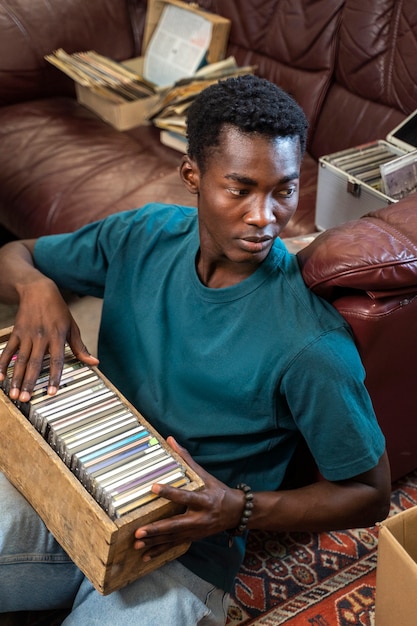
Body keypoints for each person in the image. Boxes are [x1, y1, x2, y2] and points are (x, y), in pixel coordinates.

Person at [0, 74, 390, 625]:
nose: (265, 216)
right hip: (72, 481)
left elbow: (369, 494)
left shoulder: (312, 346)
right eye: (240, 188)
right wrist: (35, 287)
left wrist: (239, 509)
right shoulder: (145, 233)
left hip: (184, 553)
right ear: (193, 176)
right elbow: (15, 253)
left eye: (284, 189)